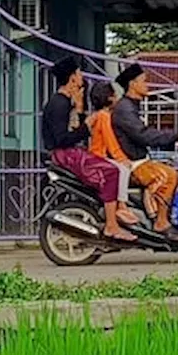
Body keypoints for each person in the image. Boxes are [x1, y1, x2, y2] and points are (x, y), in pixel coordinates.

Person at [41, 55, 136, 243]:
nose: (81, 77)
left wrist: (80, 110)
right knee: (111, 172)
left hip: (68, 152)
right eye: (79, 74)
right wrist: (87, 126)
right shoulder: (59, 103)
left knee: (113, 170)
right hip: (65, 154)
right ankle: (111, 226)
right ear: (72, 78)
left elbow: (74, 130)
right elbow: (62, 139)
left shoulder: (65, 101)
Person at [110, 63, 178, 238]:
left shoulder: (131, 106)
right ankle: (161, 222)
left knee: (168, 169)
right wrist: (176, 136)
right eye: (144, 81)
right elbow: (143, 135)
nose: (147, 85)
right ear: (133, 84)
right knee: (170, 175)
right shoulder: (125, 109)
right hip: (133, 163)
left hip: (139, 159)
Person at [86, 80, 136, 213]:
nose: (117, 98)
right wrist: (123, 159)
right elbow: (110, 142)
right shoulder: (104, 116)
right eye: (114, 95)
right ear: (109, 98)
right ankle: (122, 204)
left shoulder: (97, 115)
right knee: (123, 170)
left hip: (95, 155)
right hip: (99, 156)